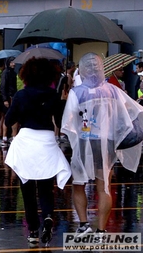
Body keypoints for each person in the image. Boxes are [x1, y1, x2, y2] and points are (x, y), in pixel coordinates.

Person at [61, 52, 143, 238]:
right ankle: (102, 229)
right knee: (104, 185)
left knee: (79, 183)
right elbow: (129, 111)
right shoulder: (113, 91)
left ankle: (83, 224)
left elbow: (68, 121)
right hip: (106, 144)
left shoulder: (77, 92)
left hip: (84, 142)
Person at [4, 57, 71, 247]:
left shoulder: (21, 95)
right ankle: (48, 217)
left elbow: (8, 121)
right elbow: (59, 123)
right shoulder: (52, 94)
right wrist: (61, 100)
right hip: (46, 141)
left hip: (26, 140)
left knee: (27, 188)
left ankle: (33, 231)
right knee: (45, 187)